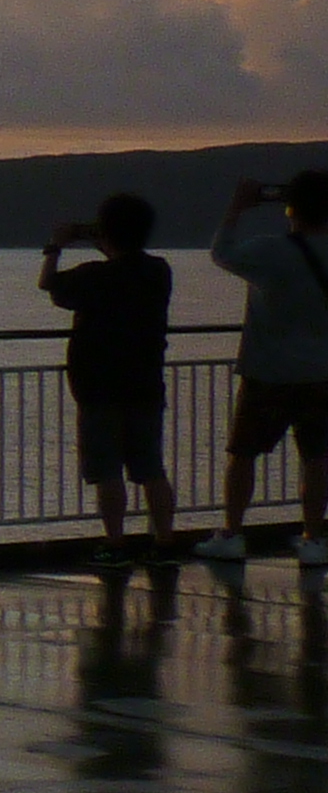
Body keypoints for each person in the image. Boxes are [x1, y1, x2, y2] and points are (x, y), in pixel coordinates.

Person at [199, 168, 328, 567]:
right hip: (321, 374)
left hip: (267, 372)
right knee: (317, 457)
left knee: (243, 454)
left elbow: (222, 252)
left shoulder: (271, 251)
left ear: (291, 207)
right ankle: (314, 538)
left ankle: (233, 533)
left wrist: (238, 207)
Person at [40, 193, 177, 562]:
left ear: (105, 231)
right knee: (151, 468)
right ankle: (165, 541)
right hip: (146, 383)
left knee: (107, 470)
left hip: (99, 387)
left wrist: (56, 245)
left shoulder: (93, 276)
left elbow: (49, 284)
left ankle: (116, 543)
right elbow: (126, 269)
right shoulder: (159, 271)